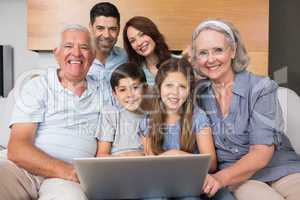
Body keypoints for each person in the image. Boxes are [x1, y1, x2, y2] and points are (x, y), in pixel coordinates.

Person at [192, 19, 300, 200]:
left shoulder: (261, 87)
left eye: (218, 50)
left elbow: (261, 154)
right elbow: (168, 80)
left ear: (233, 50)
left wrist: (218, 179)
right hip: (240, 179)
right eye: (203, 53)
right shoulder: (197, 94)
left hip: (282, 168)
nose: (210, 59)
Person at [0, 24, 109, 200]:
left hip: (67, 182)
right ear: (56, 53)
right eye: (68, 46)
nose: (76, 53)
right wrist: (68, 171)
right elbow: (17, 148)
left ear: (93, 55)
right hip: (23, 169)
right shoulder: (37, 86)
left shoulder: (104, 91)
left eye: (84, 47)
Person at [138, 57, 235, 200]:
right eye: (169, 85)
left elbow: (212, 165)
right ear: (159, 87)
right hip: (160, 183)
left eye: (182, 87)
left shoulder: (198, 117)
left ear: (189, 91)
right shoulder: (148, 120)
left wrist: (177, 154)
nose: (175, 93)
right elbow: (150, 163)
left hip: (190, 184)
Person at [96, 62, 147, 156]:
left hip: (143, 165)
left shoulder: (150, 117)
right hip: (115, 166)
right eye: (122, 90)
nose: (130, 95)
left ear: (145, 88)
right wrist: (126, 156)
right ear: (114, 94)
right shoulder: (110, 114)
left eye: (135, 87)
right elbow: (102, 154)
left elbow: (150, 154)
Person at [123, 16, 172, 86]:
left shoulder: (179, 62)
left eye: (142, 35)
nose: (139, 43)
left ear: (152, 33)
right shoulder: (134, 73)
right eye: (132, 41)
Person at [88, 2, 127, 88]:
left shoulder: (125, 57)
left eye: (112, 29)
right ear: (90, 27)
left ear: (119, 30)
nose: (106, 35)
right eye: (100, 28)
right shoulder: (78, 59)